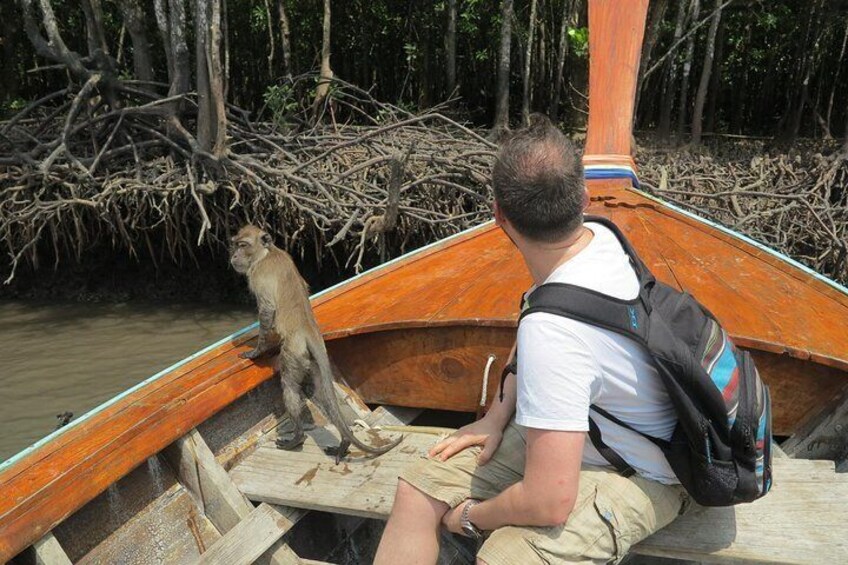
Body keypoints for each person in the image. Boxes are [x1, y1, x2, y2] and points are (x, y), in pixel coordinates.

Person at [373, 114, 691, 565]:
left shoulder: (553, 334)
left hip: (655, 472)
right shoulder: (600, 235)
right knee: (419, 489)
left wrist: (469, 517)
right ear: (582, 197)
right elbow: (538, 307)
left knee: (503, 557)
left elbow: (549, 501)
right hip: (592, 437)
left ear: (499, 216)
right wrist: (495, 417)